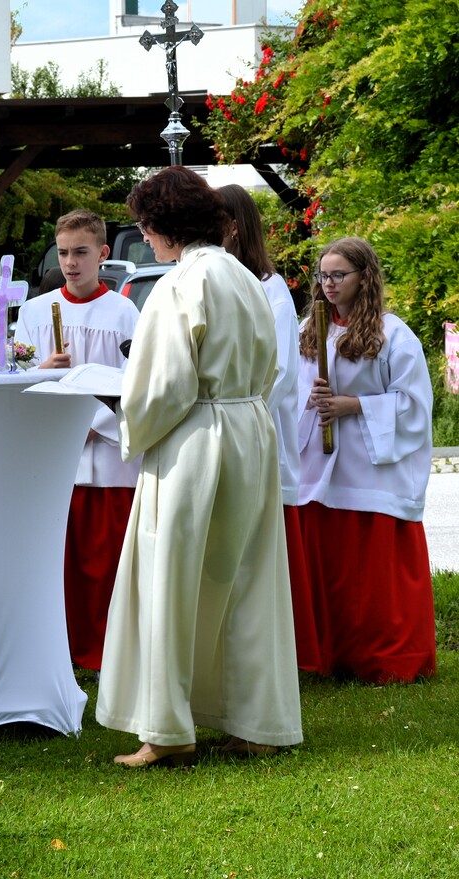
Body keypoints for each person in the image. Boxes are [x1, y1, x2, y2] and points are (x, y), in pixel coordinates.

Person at [95, 166, 303, 767]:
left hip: (197, 436)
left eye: (145, 226)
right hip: (248, 429)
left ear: (165, 225)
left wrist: (128, 421)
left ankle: (166, 730)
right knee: (246, 577)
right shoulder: (245, 276)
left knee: (173, 574)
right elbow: (270, 366)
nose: (144, 236)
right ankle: (255, 722)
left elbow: (164, 386)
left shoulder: (180, 283)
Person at [297, 237, 436, 684]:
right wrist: (310, 400)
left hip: (372, 469)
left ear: (364, 277)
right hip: (322, 470)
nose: (329, 283)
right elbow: (288, 391)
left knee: (372, 576)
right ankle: (331, 655)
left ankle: (385, 658)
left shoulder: (393, 334)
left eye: (339, 275)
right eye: (324, 275)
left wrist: (352, 405)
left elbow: (414, 405)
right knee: (333, 570)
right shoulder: (310, 330)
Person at [18, 209, 141, 673]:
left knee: (105, 560)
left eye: (81, 253)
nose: (70, 263)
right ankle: (60, 650)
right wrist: (40, 369)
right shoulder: (35, 312)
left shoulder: (124, 313)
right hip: (55, 454)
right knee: (59, 560)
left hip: (107, 454)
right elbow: (17, 377)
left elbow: (136, 381)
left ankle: (108, 651)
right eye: (64, 253)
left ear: (103, 254)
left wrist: (92, 422)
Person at [217, 184, 319, 672]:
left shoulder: (269, 288)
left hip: (255, 431)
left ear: (234, 227)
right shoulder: (219, 279)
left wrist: (236, 414)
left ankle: (277, 653)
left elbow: (276, 372)